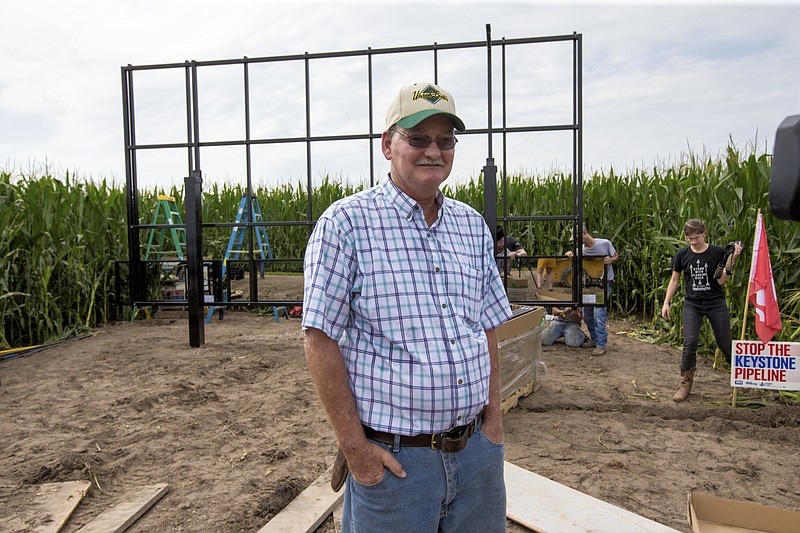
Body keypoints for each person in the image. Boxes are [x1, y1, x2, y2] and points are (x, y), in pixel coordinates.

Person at [302, 81, 512, 533]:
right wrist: (357, 452)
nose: (432, 151)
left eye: (445, 141)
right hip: (395, 465)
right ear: (387, 144)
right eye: (417, 139)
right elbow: (319, 341)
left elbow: (489, 326)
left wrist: (493, 425)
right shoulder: (346, 225)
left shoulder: (471, 226)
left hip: (476, 457)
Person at [661, 219, 742, 402]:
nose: (694, 242)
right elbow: (674, 280)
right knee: (690, 342)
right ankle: (685, 383)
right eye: (690, 239)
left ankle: (740, 376)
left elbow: (721, 281)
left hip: (715, 303)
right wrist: (666, 302)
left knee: (724, 343)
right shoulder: (682, 255)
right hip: (693, 304)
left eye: (697, 238)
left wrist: (733, 258)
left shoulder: (717, 252)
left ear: (704, 233)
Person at [566, 225, 618, 356]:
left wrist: (610, 260)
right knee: (588, 314)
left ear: (584, 233)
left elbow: (616, 256)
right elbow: (574, 258)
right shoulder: (580, 250)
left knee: (598, 313)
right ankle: (594, 339)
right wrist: (570, 255)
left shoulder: (605, 243)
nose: (576, 242)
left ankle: (601, 344)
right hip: (588, 286)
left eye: (577, 238)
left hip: (604, 284)